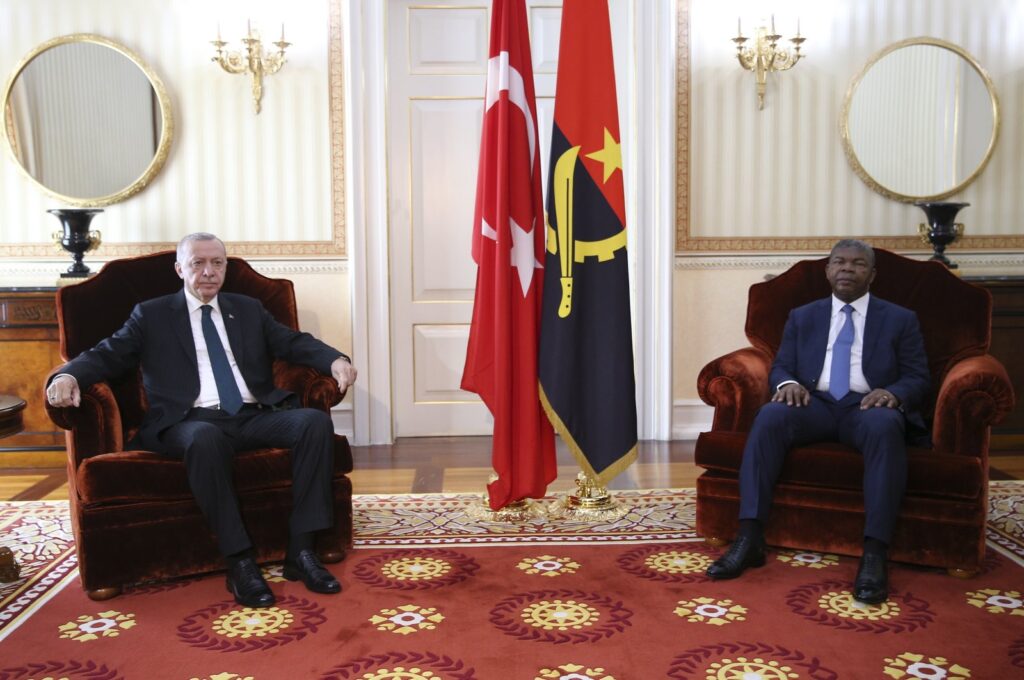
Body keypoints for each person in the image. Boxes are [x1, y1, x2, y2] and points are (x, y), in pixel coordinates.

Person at [46, 233, 358, 608]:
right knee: (205, 438)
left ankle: (302, 551)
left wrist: (335, 360)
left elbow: (292, 341)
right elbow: (106, 354)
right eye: (198, 263)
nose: (209, 272)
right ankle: (240, 562)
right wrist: (67, 376)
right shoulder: (152, 314)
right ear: (180, 269)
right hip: (187, 421)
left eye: (217, 263)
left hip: (250, 415)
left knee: (313, 423)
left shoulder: (247, 308)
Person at [705, 239, 930, 604]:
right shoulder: (803, 316)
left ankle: (874, 553)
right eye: (839, 262)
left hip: (866, 407)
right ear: (828, 271)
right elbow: (781, 366)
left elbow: (918, 376)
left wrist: (892, 393)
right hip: (815, 403)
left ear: (872, 275)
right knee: (770, 416)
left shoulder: (900, 319)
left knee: (886, 426)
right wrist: (788, 384)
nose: (847, 268)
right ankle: (749, 537)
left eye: (858, 264)